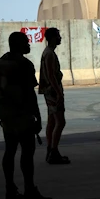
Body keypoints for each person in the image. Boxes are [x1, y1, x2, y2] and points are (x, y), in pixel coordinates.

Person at [0, 31, 54, 199]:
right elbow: (29, 94)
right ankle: (30, 192)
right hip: (22, 115)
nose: (29, 45)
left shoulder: (0, 63)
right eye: (26, 42)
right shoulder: (24, 64)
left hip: (6, 114)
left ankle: (10, 191)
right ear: (18, 45)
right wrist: (37, 117)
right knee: (27, 153)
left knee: (10, 151)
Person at [39, 27, 70, 165]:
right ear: (52, 38)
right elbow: (51, 75)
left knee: (52, 121)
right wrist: (58, 93)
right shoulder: (50, 54)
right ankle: (53, 151)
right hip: (52, 91)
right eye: (58, 36)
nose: (60, 38)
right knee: (60, 122)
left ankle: (50, 149)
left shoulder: (47, 52)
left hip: (48, 91)